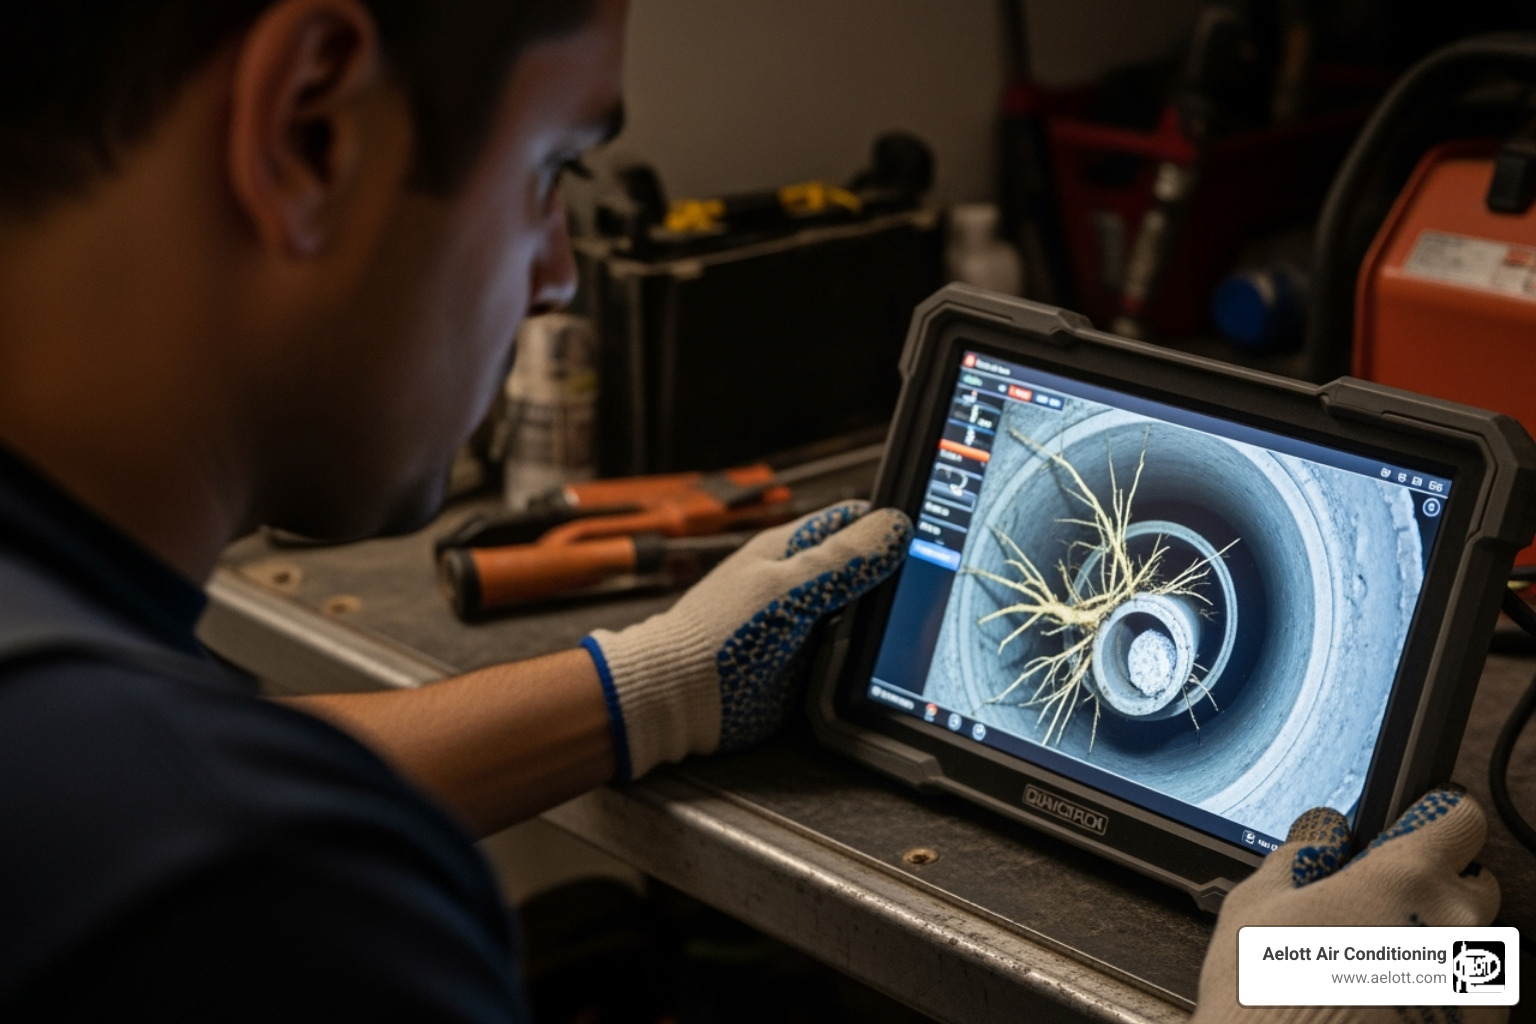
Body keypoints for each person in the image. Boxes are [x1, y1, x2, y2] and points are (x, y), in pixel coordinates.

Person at [0, 1, 1501, 1021]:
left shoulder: (106, 744)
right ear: (310, 128)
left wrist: (649, 689)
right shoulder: (254, 900)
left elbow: (202, 767)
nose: (561, 274)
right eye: (555, 174)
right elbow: (221, 826)